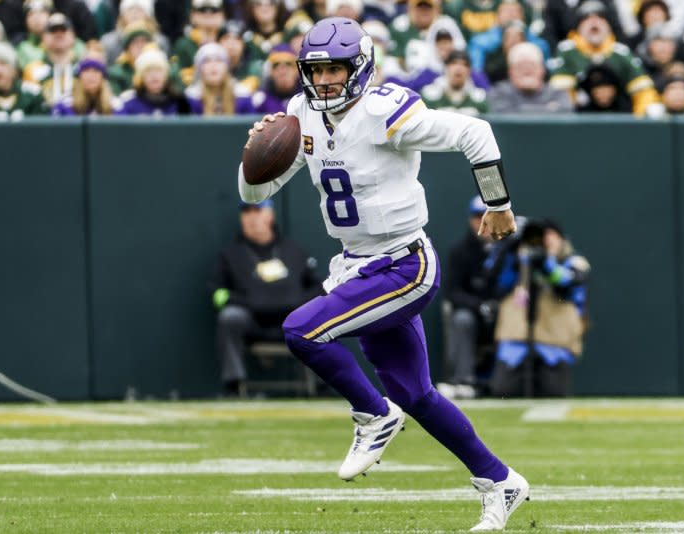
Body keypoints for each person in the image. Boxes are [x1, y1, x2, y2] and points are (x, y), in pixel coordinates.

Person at [240, 16, 529, 531]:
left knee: (301, 330)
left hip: (403, 263)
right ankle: (499, 480)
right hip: (355, 265)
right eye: (317, 69)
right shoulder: (300, 113)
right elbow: (256, 194)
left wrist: (498, 203)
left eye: (336, 68)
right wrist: (251, 158)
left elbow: (475, 131)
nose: (325, 79)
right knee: (417, 393)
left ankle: (373, 414)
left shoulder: (385, 111)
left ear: (361, 67)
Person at [209, 199, 322, 397]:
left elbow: (318, 288)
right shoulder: (230, 254)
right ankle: (234, 384)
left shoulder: (294, 251)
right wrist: (248, 302)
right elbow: (217, 292)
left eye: (257, 211)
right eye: (246, 212)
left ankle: (323, 384)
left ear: (270, 215)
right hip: (253, 321)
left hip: (292, 321)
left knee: (319, 316)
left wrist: (297, 302)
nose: (252, 217)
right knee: (230, 317)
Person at [487, 218, 590, 397]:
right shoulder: (519, 261)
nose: (545, 241)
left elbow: (568, 283)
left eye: (551, 236)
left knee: (552, 393)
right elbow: (494, 283)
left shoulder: (574, 261)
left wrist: (546, 265)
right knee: (504, 390)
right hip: (515, 343)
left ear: (562, 240)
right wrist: (509, 250)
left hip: (554, 345)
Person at [437, 195, 503, 400]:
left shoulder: (507, 248)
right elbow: (453, 292)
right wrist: (480, 306)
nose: (482, 222)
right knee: (462, 319)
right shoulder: (460, 251)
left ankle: (509, 383)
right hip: (474, 314)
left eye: (487, 216)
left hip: (505, 313)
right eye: (477, 217)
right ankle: (464, 380)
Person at [547, 0, 659, 116]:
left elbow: (644, 92)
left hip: (619, 119)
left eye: (600, 18)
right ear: (578, 26)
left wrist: (638, 122)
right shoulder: (567, 52)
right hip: (580, 122)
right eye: (586, 19)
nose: (594, 22)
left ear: (609, 25)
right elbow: (561, 96)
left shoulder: (621, 53)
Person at [488, 41, 573, 114]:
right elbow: (499, 114)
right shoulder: (498, 93)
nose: (527, 69)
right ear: (511, 72)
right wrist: (548, 109)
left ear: (542, 70)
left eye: (532, 65)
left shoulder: (558, 94)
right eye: (520, 65)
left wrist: (517, 109)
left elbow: (566, 114)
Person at [420, 49, 488, 116]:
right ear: (446, 67)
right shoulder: (430, 95)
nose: (459, 68)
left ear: (469, 70)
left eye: (464, 64)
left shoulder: (478, 98)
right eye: (454, 63)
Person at [52, 55, 120, 115]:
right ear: (79, 77)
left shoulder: (116, 105)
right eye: (86, 71)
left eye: (96, 71)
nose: (91, 75)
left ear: (103, 78)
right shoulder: (64, 106)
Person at [185, 42, 235, 115]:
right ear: (199, 69)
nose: (213, 65)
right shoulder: (189, 99)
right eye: (207, 61)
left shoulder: (241, 96)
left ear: (226, 67)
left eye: (219, 60)